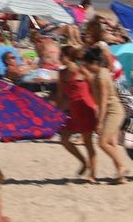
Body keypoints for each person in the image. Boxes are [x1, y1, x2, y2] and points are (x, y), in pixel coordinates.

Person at [82, 46, 128, 183]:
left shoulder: (101, 76)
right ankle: (121, 175)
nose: (86, 66)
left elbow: (103, 100)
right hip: (111, 110)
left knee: (102, 142)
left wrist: (100, 121)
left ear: (95, 63)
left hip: (113, 110)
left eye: (88, 64)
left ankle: (122, 166)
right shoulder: (101, 73)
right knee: (112, 142)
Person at [56, 45, 97, 181]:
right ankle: (83, 162)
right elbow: (62, 96)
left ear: (69, 57)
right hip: (73, 111)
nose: (59, 58)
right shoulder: (61, 74)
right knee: (64, 140)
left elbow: (94, 87)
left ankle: (92, 174)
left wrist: (98, 106)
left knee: (88, 142)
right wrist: (58, 112)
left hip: (86, 108)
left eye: (62, 56)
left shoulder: (81, 70)